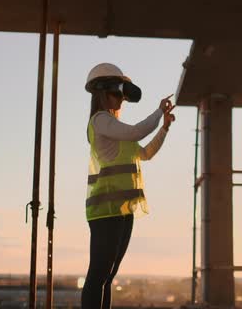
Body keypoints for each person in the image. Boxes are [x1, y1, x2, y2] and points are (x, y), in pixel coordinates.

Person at [81, 63, 176, 308]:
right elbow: (136, 132)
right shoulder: (100, 121)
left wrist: (164, 127)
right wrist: (157, 112)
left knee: (108, 277)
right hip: (105, 210)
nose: (122, 98)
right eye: (117, 92)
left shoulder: (117, 131)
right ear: (102, 92)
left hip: (123, 210)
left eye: (123, 94)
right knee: (98, 275)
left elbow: (145, 153)